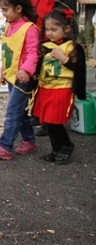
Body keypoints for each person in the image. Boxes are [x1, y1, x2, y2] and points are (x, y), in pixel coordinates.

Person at [20, 0, 78, 136]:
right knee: (30, 78)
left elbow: (61, 25)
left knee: (46, 80)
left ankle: (48, 122)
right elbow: (18, 4)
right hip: (27, 39)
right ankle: (35, 114)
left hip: (49, 44)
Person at [0, 0, 39, 160]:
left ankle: (5, 146)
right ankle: (29, 140)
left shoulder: (29, 29)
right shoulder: (8, 26)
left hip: (23, 78)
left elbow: (32, 53)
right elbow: (7, 52)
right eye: (2, 10)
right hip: (12, 76)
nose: (3, 13)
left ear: (19, 8)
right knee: (20, 112)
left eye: (6, 9)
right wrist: (3, 72)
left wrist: (26, 70)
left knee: (12, 111)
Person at [33, 9, 86, 164]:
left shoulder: (72, 47)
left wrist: (64, 59)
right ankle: (56, 150)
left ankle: (67, 145)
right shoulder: (45, 46)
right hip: (45, 89)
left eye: (54, 30)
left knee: (55, 121)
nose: (50, 33)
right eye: (48, 29)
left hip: (62, 88)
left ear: (66, 29)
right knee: (48, 122)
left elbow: (79, 69)